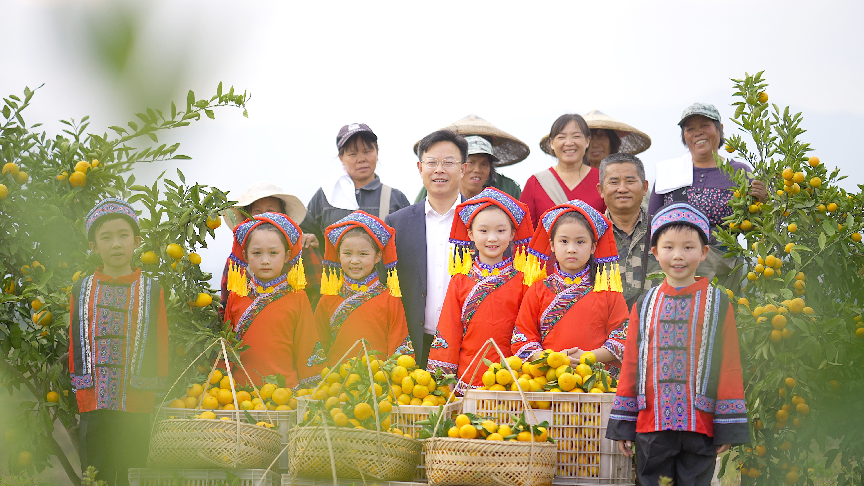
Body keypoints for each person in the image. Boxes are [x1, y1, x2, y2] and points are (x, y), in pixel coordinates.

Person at [606, 203, 749, 486]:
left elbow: (729, 365)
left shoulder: (718, 303)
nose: (678, 256)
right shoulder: (645, 304)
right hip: (651, 425)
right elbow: (631, 363)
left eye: (688, 247)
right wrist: (624, 423)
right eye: (668, 247)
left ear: (704, 252)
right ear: (655, 251)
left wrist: (726, 427)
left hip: (701, 424)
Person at [70, 197, 168, 486]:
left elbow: (160, 342)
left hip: (136, 400)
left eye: (123, 236)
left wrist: (154, 391)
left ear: (136, 241)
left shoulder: (152, 290)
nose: (116, 244)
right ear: (93, 246)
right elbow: (76, 340)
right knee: (95, 473)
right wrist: (80, 389)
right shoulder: (81, 288)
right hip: (93, 400)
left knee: (132, 473)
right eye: (106, 237)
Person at [426, 188, 534, 393]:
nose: (492, 238)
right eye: (483, 231)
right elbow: (449, 331)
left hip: (514, 379)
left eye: (500, 231)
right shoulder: (460, 280)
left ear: (512, 234)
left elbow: (528, 333)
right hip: (467, 378)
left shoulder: (524, 281)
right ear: (470, 234)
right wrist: (445, 380)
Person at [648, 103, 767, 284]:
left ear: (720, 130)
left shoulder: (739, 173)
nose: (698, 132)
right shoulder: (670, 172)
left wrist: (763, 201)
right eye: (690, 129)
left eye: (705, 125)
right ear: (684, 136)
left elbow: (755, 228)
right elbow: (653, 223)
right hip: (673, 269)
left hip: (721, 269)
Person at [511, 200, 629, 375]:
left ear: (593, 247)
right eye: (564, 241)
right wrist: (553, 359)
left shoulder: (608, 291)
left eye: (580, 242)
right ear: (552, 245)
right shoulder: (537, 290)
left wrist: (588, 357)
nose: (571, 249)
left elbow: (622, 339)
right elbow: (522, 338)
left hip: (596, 383)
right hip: (547, 383)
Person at [386, 130, 468, 368]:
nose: (439, 170)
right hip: (414, 346)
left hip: (468, 344)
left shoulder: (480, 221)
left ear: (463, 169)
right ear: (420, 168)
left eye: (449, 163)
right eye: (432, 163)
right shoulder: (397, 223)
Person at [223, 212, 320, 388]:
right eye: (257, 253)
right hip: (238, 394)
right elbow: (225, 347)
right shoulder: (236, 295)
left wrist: (310, 390)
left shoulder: (298, 297)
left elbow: (307, 345)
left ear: (287, 255)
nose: (265, 260)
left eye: (273, 253)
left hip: (283, 395)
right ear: (245, 256)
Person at [307, 211, 412, 369]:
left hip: (379, 385)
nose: (354, 261)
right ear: (338, 255)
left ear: (378, 256)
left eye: (363, 254)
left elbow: (399, 346)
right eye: (347, 253)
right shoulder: (328, 299)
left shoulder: (389, 298)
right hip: (336, 385)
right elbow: (318, 345)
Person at [301, 123, 410, 251]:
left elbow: (408, 244)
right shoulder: (325, 196)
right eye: (353, 154)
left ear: (377, 152)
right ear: (341, 158)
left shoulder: (395, 198)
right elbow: (308, 234)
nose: (361, 159)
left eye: (367, 151)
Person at [219, 182, 308, 315]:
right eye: (257, 212)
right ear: (246, 217)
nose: (264, 217)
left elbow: (314, 300)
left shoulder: (302, 252)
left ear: (282, 215)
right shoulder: (236, 263)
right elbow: (226, 307)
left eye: (270, 211)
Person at [413, 114, 529, 201]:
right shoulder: (439, 185)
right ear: (461, 166)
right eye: (471, 162)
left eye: (484, 164)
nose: (477, 170)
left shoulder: (507, 188)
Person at [597, 153, 659, 308]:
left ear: (645, 187)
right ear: (601, 190)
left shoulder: (663, 231)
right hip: (604, 326)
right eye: (613, 182)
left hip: (655, 325)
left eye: (630, 181)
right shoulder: (590, 235)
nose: (622, 189)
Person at [521, 114, 606, 226]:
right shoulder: (536, 182)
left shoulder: (603, 180)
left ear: (587, 141)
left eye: (576, 136)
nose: (569, 143)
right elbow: (524, 232)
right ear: (551, 143)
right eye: (561, 137)